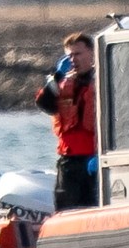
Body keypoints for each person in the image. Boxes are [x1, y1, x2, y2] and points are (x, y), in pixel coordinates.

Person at [35, 32, 98, 210]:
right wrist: (57, 77)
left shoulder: (102, 80)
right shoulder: (62, 83)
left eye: (78, 54)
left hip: (94, 160)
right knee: (65, 209)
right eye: (69, 55)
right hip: (69, 162)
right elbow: (44, 104)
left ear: (92, 53)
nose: (73, 60)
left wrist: (101, 155)